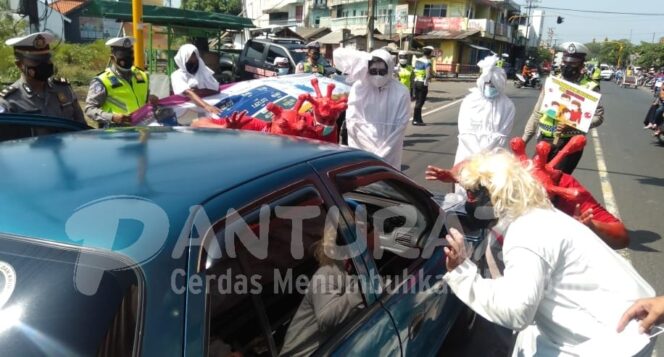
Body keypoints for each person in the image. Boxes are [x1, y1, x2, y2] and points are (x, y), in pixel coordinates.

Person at [439, 150, 656, 356]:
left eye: (472, 194)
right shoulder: (539, 215)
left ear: (494, 194)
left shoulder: (526, 233)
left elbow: (516, 311)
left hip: (606, 341)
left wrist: (462, 272)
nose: (468, 203)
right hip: (625, 323)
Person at [522, 41, 604, 174]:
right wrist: (524, 140)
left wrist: (574, 126)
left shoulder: (590, 87)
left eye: (572, 63)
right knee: (534, 180)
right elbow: (537, 113)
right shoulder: (552, 82)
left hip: (569, 144)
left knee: (554, 184)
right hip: (544, 140)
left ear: (581, 64)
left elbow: (598, 117)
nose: (567, 66)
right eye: (565, 62)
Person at [333, 48, 410, 169]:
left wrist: (383, 154)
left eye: (382, 71)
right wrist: (368, 153)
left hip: (390, 152)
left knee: (388, 182)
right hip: (362, 149)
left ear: (389, 69)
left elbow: (400, 127)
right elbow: (353, 122)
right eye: (374, 71)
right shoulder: (359, 88)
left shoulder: (401, 92)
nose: (378, 75)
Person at [0, 32, 86, 123]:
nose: (45, 64)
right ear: (20, 65)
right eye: (37, 61)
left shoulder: (64, 89)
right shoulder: (9, 101)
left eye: (47, 59)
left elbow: (82, 128)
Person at [454, 54, 515, 167]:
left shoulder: (507, 105)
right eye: (487, 84)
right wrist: (477, 155)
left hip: (494, 157)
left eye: (493, 85)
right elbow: (464, 131)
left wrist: (486, 154)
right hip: (468, 155)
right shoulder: (470, 101)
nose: (489, 87)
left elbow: (503, 134)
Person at [85, 37, 158, 127]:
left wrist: (152, 100)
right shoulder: (102, 80)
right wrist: (112, 117)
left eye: (130, 54)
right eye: (122, 55)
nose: (128, 58)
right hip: (116, 132)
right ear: (112, 58)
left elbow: (146, 101)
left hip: (141, 130)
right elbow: (89, 109)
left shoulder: (142, 76)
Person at [170, 44, 220, 116]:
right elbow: (188, 93)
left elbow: (216, 89)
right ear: (183, 59)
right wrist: (206, 106)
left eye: (195, 56)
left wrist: (200, 91)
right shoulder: (177, 75)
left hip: (210, 110)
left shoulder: (204, 71)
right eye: (190, 57)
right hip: (186, 114)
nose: (193, 60)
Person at [412, 46, 435, 126]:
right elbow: (428, 74)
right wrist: (432, 76)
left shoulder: (418, 60)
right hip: (423, 83)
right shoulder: (427, 61)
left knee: (418, 101)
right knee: (420, 102)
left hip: (416, 82)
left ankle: (419, 119)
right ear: (430, 53)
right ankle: (416, 120)